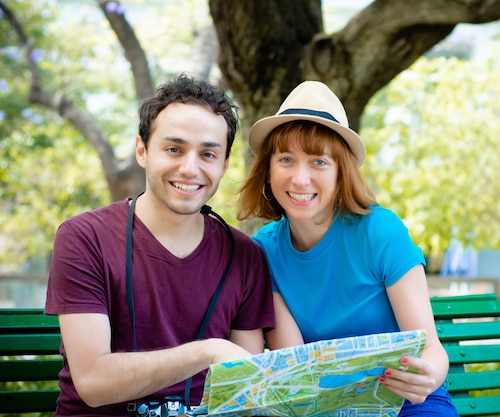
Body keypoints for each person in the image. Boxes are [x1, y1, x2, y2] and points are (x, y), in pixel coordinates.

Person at [45, 73, 274, 416]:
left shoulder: (246, 255)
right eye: (173, 149)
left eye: (208, 154)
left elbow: (245, 389)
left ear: (224, 164)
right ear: (142, 150)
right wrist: (206, 352)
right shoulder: (84, 238)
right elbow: (93, 382)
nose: (189, 168)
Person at [237, 80, 459, 416]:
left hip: (407, 403)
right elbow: (298, 370)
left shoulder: (380, 232)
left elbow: (431, 349)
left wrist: (428, 375)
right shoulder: (262, 252)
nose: (299, 178)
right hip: (326, 408)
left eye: (318, 162)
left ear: (342, 173)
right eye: (286, 159)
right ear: (267, 170)